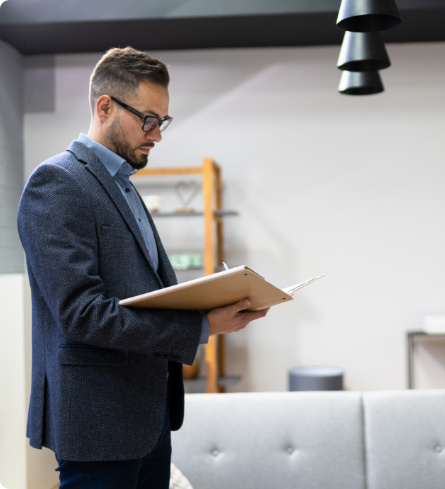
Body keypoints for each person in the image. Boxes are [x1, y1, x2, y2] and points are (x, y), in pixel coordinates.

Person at [17, 47, 269, 489]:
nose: (156, 135)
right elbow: (82, 314)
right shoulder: (56, 182)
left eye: (162, 122)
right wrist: (201, 326)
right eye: (148, 120)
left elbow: (138, 287)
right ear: (105, 106)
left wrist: (208, 297)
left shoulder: (123, 186)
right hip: (99, 423)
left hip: (148, 416)